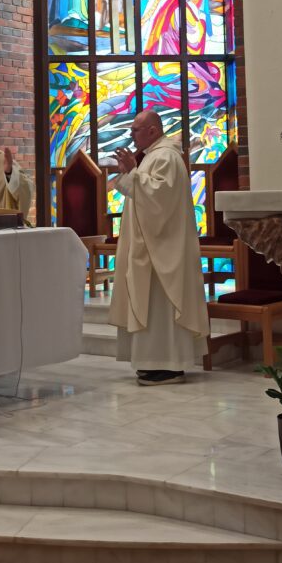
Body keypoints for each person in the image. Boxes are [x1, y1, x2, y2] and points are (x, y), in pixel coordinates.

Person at [108, 110, 209, 385]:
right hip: (149, 245)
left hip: (162, 249)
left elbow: (160, 199)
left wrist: (132, 173)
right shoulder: (152, 156)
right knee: (149, 304)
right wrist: (131, 173)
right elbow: (144, 193)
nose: (131, 135)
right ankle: (152, 361)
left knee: (159, 306)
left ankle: (168, 363)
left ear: (153, 131)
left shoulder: (165, 157)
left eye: (136, 130)